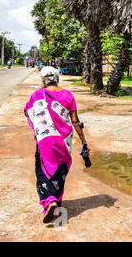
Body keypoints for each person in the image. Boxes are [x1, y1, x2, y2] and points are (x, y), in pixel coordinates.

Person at [24, 66, 90, 223]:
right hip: (63, 143)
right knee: (59, 172)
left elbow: (27, 112)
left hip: (45, 141)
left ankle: (50, 202)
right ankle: (56, 204)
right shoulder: (68, 95)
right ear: (57, 78)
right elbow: (75, 121)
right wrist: (84, 142)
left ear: (43, 80)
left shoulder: (37, 95)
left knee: (42, 171)